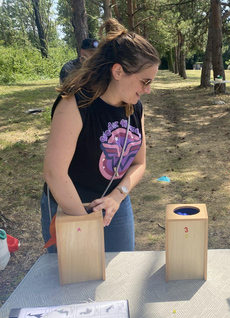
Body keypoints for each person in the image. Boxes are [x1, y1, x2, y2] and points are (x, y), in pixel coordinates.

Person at [41, 18, 160, 253]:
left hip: (115, 205)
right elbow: (55, 174)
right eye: (144, 81)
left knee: (119, 276)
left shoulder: (135, 106)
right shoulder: (75, 105)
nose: (147, 90)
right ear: (118, 71)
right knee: (75, 281)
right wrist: (84, 224)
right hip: (70, 206)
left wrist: (117, 196)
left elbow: (139, 163)